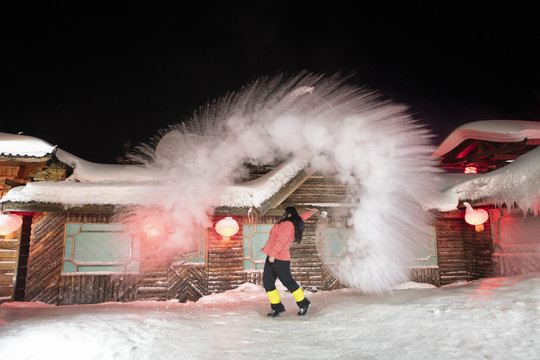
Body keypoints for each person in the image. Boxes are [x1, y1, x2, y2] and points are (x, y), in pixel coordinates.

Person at [261, 206, 317, 317]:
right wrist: (311, 212)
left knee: (288, 282)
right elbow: (301, 217)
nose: (283, 214)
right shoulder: (291, 222)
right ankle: (277, 308)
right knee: (268, 282)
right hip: (272, 256)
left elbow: (281, 241)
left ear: (289, 214)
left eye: (285, 212)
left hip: (280, 258)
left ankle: (304, 303)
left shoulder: (288, 224)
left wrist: (272, 255)